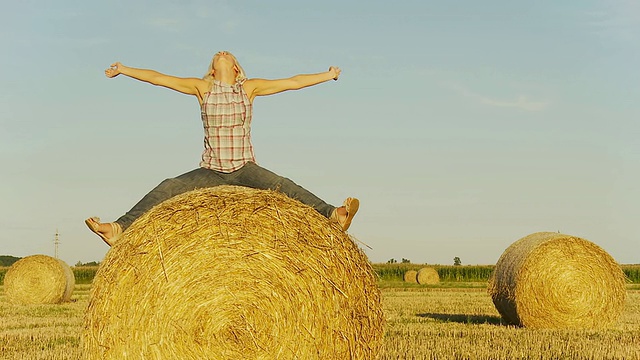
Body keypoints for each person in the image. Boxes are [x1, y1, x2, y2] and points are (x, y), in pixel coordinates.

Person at [85, 51, 359, 246]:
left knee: (283, 185)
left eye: (228, 54)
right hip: (210, 170)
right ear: (213, 70)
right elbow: (159, 78)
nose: (222, 52)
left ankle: (333, 215)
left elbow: (293, 82)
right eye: (218, 55)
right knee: (167, 187)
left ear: (237, 68)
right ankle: (118, 229)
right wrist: (124, 69)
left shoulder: (248, 88)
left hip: (244, 168)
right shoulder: (202, 88)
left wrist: (328, 75)